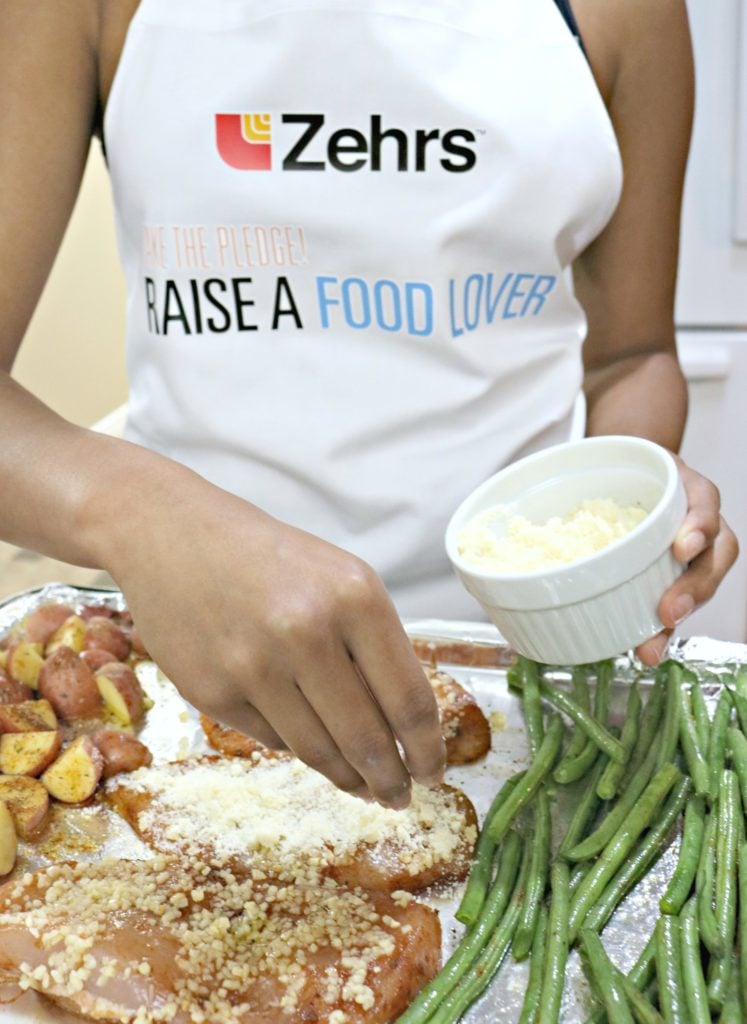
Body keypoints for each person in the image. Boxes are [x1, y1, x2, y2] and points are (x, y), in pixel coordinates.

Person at [0, 0, 738, 810]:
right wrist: (139, 512)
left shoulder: (626, 14)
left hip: (504, 663)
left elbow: (633, 357)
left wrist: (626, 500)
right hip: (190, 672)